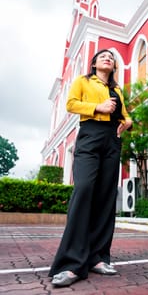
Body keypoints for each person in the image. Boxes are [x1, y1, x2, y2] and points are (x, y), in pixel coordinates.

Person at [49, 49, 132, 287]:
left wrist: (128, 122)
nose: (108, 58)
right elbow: (71, 104)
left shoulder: (117, 90)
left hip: (112, 141)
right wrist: (98, 108)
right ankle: (71, 263)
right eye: (103, 56)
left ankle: (97, 257)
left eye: (111, 57)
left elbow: (125, 115)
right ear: (94, 63)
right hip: (90, 135)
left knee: (106, 197)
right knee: (84, 189)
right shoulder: (83, 81)